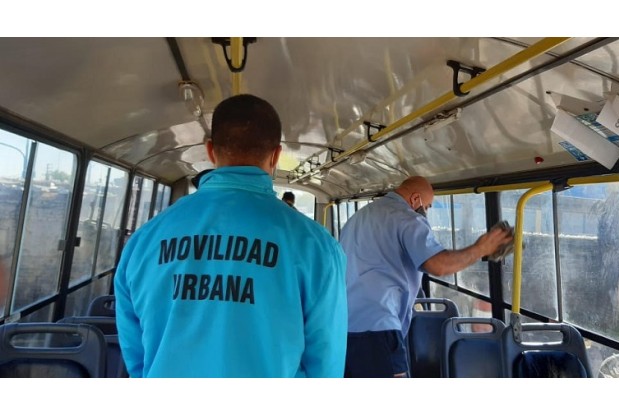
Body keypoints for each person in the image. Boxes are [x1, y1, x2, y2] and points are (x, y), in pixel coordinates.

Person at [114, 94, 348, 378]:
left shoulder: (143, 241)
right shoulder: (318, 247)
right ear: (275, 155)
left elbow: (137, 359)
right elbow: (325, 365)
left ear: (210, 151)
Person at [340, 176, 513, 377]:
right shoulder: (407, 218)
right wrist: (481, 248)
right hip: (379, 326)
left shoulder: (358, 218)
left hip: (344, 323)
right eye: (428, 206)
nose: (426, 212)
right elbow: (438, 265)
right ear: (415, 200)